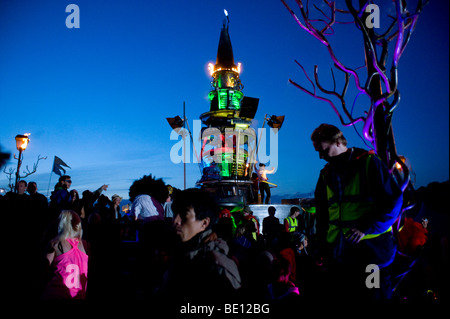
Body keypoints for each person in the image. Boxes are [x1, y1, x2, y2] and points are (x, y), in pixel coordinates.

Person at [311, 123, 403, 299]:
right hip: (341, 257)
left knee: (373, 297)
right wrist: (321, 247)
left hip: (371, 256)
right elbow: (323, 215)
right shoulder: (325, 175)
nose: (321, 156)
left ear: (338, 142)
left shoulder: (370, 163)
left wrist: (366, 227)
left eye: (323, 150)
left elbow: (393, 201)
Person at [160, 188, 241, 302]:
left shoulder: (216, 266)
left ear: (204, 222)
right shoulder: (177, 255)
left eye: (184, 215)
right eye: (175, 214)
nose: (176, 221)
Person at [41, 210, 89, 299]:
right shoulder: (85, 244)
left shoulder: (55, 244)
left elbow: (43, 270)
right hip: (78, 295)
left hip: (57, 294)